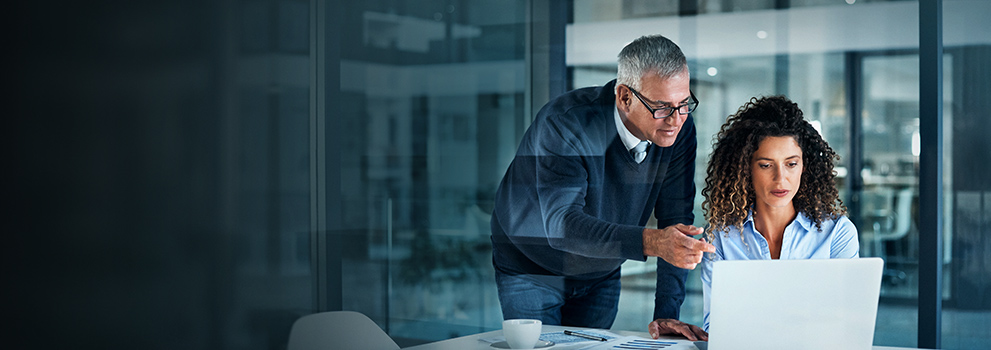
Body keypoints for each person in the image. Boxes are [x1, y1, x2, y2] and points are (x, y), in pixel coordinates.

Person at [490, 34, 714, 340]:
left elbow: (676, 219)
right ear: (625, 97)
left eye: (684, 103)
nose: (675, 119)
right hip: (532, 265)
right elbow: (562, 226)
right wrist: (653, 242)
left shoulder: (679, 129)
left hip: (602, 270)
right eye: (662, 107)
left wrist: (666, 313)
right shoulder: (567, 124)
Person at [677, 95, 860, 334]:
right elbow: (718, 326)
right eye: (765, 165)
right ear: (745, 169)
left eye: (791, 164)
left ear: (805, 166)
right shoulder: (721, 237)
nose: (780, 178)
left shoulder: (837, 233)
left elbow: (848, 325)